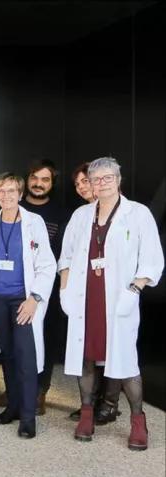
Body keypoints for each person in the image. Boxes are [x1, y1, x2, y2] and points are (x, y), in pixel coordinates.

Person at [59, 157, 163, 450]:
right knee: (87, 358)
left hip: (119, 299)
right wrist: (65, 291)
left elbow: (152, 259)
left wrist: (135, 288)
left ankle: (138, 421)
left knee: (125, 362)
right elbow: (65, 257)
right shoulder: (81, 215)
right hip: (85, 297)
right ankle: (87, 415)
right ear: (89, 184)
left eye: (108, 178)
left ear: (118, 180)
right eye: (96, 179)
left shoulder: (138, 214)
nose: (101, 184)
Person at [0, 173, 56, 439]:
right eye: (2, 190)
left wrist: (34, 299)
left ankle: (29, 416)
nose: (6, 195)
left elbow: (47, 264)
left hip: (23, 300)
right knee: (7, 355)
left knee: (26, 357)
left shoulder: (34, 222)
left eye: (12, 191)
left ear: (20, 194)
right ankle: (13, 407)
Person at [66, 160, 118, 424]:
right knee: (89, 347)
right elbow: (69, 255)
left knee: (112, 349)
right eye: (78, 184)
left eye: (86, 181)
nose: (82, 187)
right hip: (86, 290)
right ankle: (90, 403)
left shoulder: (125, 212)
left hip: (113, 292)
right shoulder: (82, 215)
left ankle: (109, 404)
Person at [21, 159, 69, 415]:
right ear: (27, 180)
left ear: (52, 183)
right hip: (16, 287)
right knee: (18, 338)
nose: (39, 184)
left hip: (49, 289)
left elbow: (64, 255)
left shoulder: (62, 215)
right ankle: (18, 388)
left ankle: (40, 391)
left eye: (45, 179)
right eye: (34, 178)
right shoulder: (13, 207)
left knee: (46, 339)